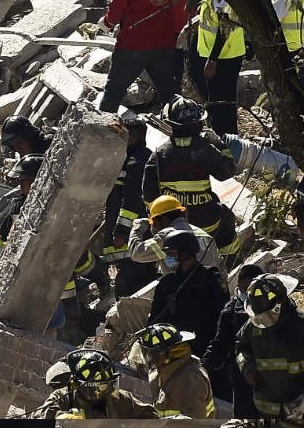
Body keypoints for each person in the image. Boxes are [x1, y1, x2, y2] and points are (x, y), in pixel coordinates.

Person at [147, 97, 242, 262]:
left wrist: (159, 224)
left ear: (171, 124)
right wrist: (219, 144)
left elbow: (148, 195)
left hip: (172, 226)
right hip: (207, 223)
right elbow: (227, 172)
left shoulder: (159, 154)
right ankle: (229, 263)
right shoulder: (205, 149)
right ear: (199, 123)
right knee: (227, 220)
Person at [99, 0, 190, 112]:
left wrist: (106, 24)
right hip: (164, 42)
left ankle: (100, 134)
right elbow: (180, 3)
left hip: (132, 45)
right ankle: (180, 131)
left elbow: (117, 10)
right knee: (171, 96)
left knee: (113, 93)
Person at [235, 273, 304, 419]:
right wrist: (247, 367)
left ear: (281, 303)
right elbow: (241, 348)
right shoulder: (251, 327)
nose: (264, 321)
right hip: (269, 411)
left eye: (268, 315)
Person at [102, 113, 158, 296]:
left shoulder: (137, 162)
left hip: (133, 235)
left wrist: (121, 231)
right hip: (141, 233)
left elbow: (132, 200)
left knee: (129, 282)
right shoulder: (136, 158)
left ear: (131, 138)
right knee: (142, 275)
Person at [145, 229, 225, 358]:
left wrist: (216, 354)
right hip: (174, 353)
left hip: (206, 351)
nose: (168, 258)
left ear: (186, 254)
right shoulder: (166, 283)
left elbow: (222, 322)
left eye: (171, 254)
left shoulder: (210, 279)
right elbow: (155, 321)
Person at [203, 263, 264, 417]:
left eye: (248, 290)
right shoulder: (231, 311)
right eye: (241, 289)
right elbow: (220, 343)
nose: (243, 294)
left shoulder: (276, 309)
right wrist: (204, 366)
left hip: (271, 377)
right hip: (241, 377)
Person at [32, 349, 160, 419]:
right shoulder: (64, 397)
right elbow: (39, 416)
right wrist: (61, 418)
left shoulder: (122, 399)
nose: (102, 392)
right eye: (96, 387)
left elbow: (150, 416)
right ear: (78, 384)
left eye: (106, 386)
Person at [189, 0, 247, 136]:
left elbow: (224, 28)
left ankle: (225, 140)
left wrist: (213, 59)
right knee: (219, 102)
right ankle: (225, 138)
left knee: (220, 105)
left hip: (223, 57)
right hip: (220, 55)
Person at [133, 324, 216, 419]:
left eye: (153, 357)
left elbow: (195, 424)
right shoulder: (160, 371)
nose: (151, 362)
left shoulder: (188, 379)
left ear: (169, 354)